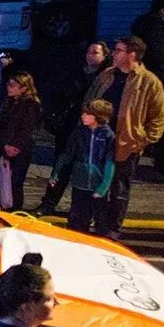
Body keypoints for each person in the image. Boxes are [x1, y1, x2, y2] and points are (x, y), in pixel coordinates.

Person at [84, 35, 164, 240]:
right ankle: (99, 223)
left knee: (119, 187)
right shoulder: (107, 75)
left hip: (126, 143)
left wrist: (142, 140)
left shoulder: (149, 82)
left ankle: (113, 228)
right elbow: (89, 100)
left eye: (119, 50)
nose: (114, 53)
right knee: (95, 181)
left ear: (132, 54)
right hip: (100, 140)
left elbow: (159, 116)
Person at [36, 41, 109, 216]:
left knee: (89, 170)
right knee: (61, 166)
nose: (90, 55)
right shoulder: (75, 73)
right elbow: (60, 95)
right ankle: (48, 203)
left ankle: (86, 211)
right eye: (89, 52)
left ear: (104, 56)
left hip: (91, 129)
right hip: (69, 127)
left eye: (95, 52)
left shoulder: (105, 78)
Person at [49, 100, 117, 235]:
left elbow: (110, 163)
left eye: (87, 114)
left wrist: (103, 187)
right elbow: (67, 154)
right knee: (77, 216)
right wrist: (55, 173)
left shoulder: (108, 136)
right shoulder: (79, 132)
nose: (83, 116)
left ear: (98, 116)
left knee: (100, 219)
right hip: (80, 182)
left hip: (97, 184)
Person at [0, 71, 42, 211]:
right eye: (8, 84)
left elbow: (28, 129)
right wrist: (4, 144)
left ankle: (14, 211)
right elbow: (1, 126)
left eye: (13, 85)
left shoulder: (31, 105)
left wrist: (15, 146)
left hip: (19, 151)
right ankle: (0, 207)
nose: (9, 87)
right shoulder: (8, 102)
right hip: (4, 147)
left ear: (24, 87)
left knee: (14, 183)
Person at [131, 0, 164, 89]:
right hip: (155, 82)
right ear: (162, 11)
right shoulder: (154, 30)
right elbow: (157, 57)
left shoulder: (160, 27)